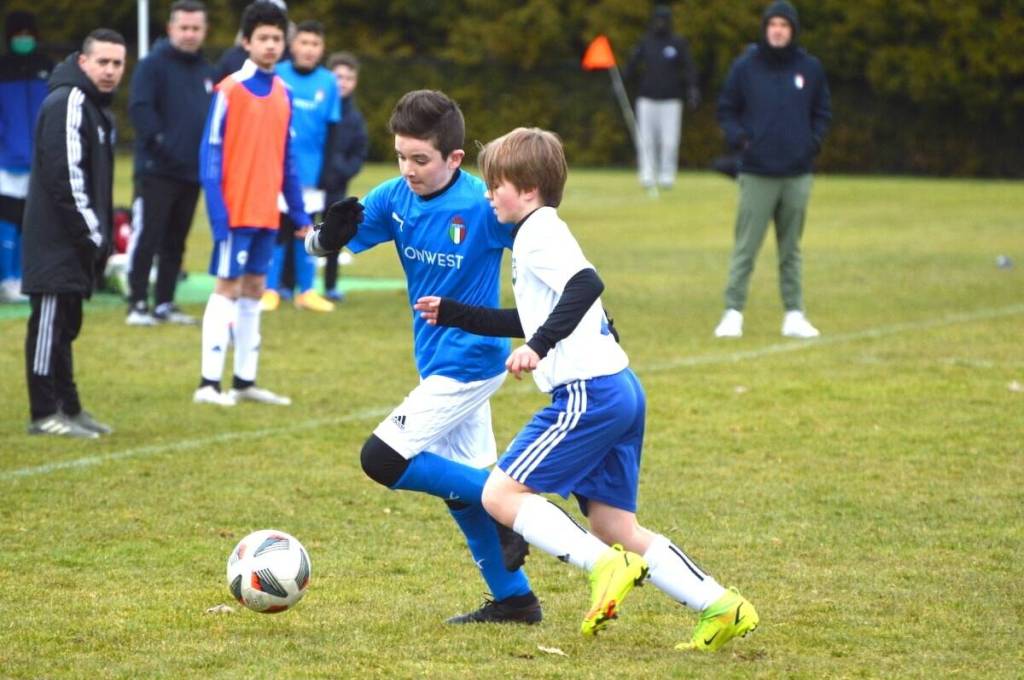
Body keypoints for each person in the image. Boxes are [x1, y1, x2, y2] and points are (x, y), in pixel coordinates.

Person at [414, 127, 760, 647]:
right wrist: (459, 314)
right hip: (618, 388)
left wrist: (540, 347)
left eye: (496, 186)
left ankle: (603, 569)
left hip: (588, 395)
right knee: (616, 525)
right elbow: (541, 312)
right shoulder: (540, 231)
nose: (488, 196)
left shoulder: (538, 234)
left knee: (499, 493)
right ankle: (721, 605)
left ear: (528, 188)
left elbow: (586, 285)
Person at [306, 90, 541, 624]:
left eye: (420, 159)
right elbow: (316, 247)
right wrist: (327, 237)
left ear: (454, 159)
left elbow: (545, 249)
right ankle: (515, 600)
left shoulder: (484, 205)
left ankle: (507, 505)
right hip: (434, 358)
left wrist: (574, 316)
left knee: (382, 458)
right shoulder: (395, 197)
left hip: (474, 358)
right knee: (461, 489)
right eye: (401, 157)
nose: (408, 169)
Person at [194, 0, 309, 407]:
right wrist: (218, 214)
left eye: (278, 38)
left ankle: (244, 381)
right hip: (235, 210)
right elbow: (208, 156)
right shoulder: (228, 90)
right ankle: (208, 384)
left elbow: (288, 161)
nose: (271, 45)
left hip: (267, 212)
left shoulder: (286, 94)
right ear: (246, 41)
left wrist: (299, 215)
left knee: (256, 290)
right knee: (226, 288)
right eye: (263, 37)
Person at [21, 29, 126, 438]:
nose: (110, 71)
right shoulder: (69, 101)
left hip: (77, 244)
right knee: (48, 327)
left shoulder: (99, 111)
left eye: (117, 64)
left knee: (66, 327)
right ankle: (44, 412)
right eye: (102, 62)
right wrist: (94, 235)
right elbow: (66, 177)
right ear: (83, 62)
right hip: (55, 242)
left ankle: (70, 406)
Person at [713, 0, 831, 339]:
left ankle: (794, 314)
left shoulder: (809, 68)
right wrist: (741, 140)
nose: (778, 30)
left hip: (797, 174)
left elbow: (823, 111)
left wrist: (813, 142)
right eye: (772, 24)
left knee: (791, 249)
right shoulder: (746, 67)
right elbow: (727, 108)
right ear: (765, 29)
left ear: (792, 30)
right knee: (746, 247)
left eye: (784, 25)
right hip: (757, 173)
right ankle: (732, 312)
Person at [125, 0, 215, 326]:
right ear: (170, 28)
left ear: (204, 30)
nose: (190, 34)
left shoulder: (206, 69)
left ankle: (164, 302)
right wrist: (162, 146)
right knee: (148, 237)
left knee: (176, 241)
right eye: (184, 27)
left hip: (192, 173)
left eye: (196, 28)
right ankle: (136, 303)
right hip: (157, 171)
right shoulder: (152, 65)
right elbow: (140, 109)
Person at [261, 19, 339, 313]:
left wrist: (328, 171)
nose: (309, 49)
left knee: (306, 230)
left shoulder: (328, 81)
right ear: (292, 46)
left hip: (310, 173)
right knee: (277, 230)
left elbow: (333, 129)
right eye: (304, 43)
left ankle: (306, 291)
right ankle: (270, 289)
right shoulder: (276, 75)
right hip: (276, 170)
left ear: (322, 49)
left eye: (315, 44)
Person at [0, 10, 53, 304]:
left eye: (27, 33)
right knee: (6, 219)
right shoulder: (2, 68)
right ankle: (6, 277)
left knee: (29, 220)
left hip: (39, 158)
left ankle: (23, 276)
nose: (23, 39)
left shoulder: (47, 67)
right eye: (18, 34)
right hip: (7, 159)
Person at [624, 4, 700, 193]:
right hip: (647, 99)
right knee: (646, 140)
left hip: (671, 100)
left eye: (664, 20)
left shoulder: (678, 43)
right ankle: (647, 175)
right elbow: (632, 66)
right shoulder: (645, 42)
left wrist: (692, 89)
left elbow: (689, 68)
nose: (660, 24)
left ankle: (667, 176)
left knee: (670, 141)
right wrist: (622, 79)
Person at [319, 51, 368, 302]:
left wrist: (341, 170)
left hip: (336, 188)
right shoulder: (316, 108)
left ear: (355, 82)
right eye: (338, 77)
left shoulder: (355, 119)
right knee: (297, 232)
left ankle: (329, 286)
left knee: (333, 236)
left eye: (348, 78)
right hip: (309, 185)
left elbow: (359, 153)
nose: (343, 82)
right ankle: (287, 285)